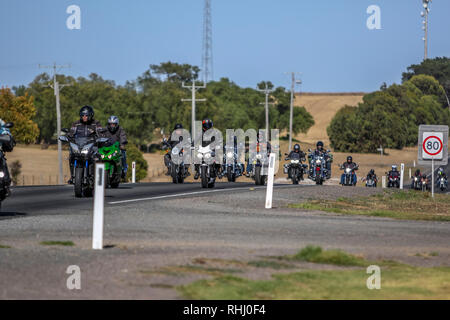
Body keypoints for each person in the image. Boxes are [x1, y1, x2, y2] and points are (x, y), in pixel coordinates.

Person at [67, 106, 103, 184]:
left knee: (98, 156)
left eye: (86, 115)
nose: (84, 117)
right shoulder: (76, 124)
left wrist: (100, 139)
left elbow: (100, 133)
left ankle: (98, 177)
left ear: (91, 115)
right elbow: (71, 134)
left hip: (92, 146)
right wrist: (68, 137)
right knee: (71, 155)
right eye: (83, 115)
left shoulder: (96, 123)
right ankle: (73, 176)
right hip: (79, 146)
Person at [0, 119, 15, 195]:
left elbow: (5, 130)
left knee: (1, 159)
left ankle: (6, 182)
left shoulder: (0, 122)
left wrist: (7, 136)